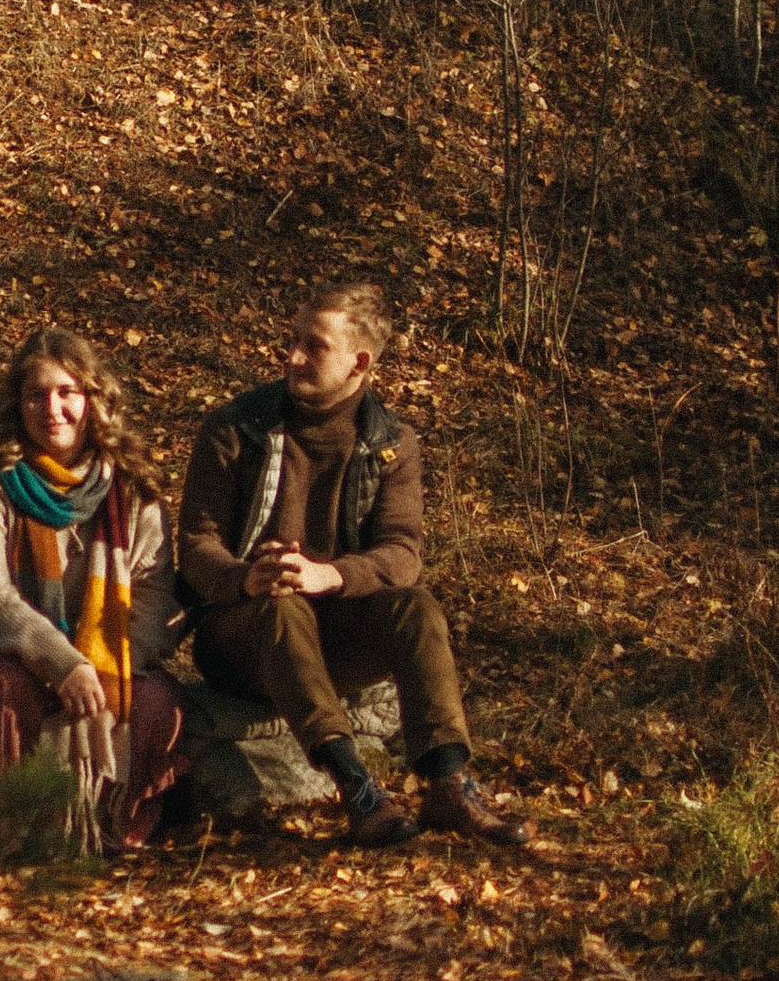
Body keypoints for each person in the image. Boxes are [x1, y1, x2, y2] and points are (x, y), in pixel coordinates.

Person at [176, 279, 525, 847]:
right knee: (282, 606)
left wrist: (331, 575)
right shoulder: (236, 429)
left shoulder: (391, 442)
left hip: (335, 630)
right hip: (241, 636)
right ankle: (357, 788)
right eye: (293, 340)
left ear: (359, 363)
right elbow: (197, 545)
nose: (293, 356)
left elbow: (402, 552)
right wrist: (247, 577)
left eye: (313, 346)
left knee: (416, 608)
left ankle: (447, 784)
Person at [0, 326, 185, 850]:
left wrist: (105, 664)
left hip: (107, 655)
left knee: (156, 703)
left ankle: (105, 827)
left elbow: (157, 596)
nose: (52, 409)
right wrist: (62, 663)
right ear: (18, 405)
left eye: (66, 392)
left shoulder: (134, 489)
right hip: (14, 651)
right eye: (36, 395)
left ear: (93, 400)